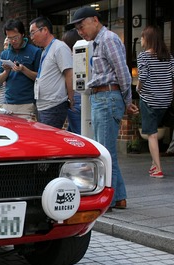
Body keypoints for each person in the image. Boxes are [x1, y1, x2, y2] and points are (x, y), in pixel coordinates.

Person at [67, 7, 139, 210]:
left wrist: (127, 100)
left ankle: (107, 201)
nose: (80, 31)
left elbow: (123, 71)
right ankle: (119, 198)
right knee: (106, 153)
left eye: (82, 26)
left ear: (95, 20)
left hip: (107, 96)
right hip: (103, 96)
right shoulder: (99, 41)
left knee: (105, 154)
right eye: (78, 28)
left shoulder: (108, 39)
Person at [136, 25, 174, 178]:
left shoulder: (143, 56)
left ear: (148, 39)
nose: (140, 40)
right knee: (155, 131)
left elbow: (143, 77)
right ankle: (154, 164)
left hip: (150, 99)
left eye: (142, 37)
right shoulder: (169, 57)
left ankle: (158, 168)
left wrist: (138, 89)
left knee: (151, 134)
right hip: (165, 100)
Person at [0, 19, 41, 120]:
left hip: (27, 103)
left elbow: (39, 77)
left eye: (15, 37)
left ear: (22, 34)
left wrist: (23, 69)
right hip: (8, 102)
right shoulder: (5, 53)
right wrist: (6, 71)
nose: (13, 41)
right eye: (9, 38)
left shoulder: (35, 51)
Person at [29, 16, 74, 128]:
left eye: (33, 33)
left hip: (53, 105)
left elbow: (69, 73)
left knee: (48, 140)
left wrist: (71, 98)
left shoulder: (59, 47)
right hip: (43, 105)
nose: (31, 37)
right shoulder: (45, 51)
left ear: (44, 30)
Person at [61, 29, 83, 134]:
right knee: (72, 131)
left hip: (74, 98)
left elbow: (68, 78)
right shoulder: (83, 56)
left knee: (78, 134)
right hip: (84, 97)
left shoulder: (69, 59)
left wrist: (70, 98)